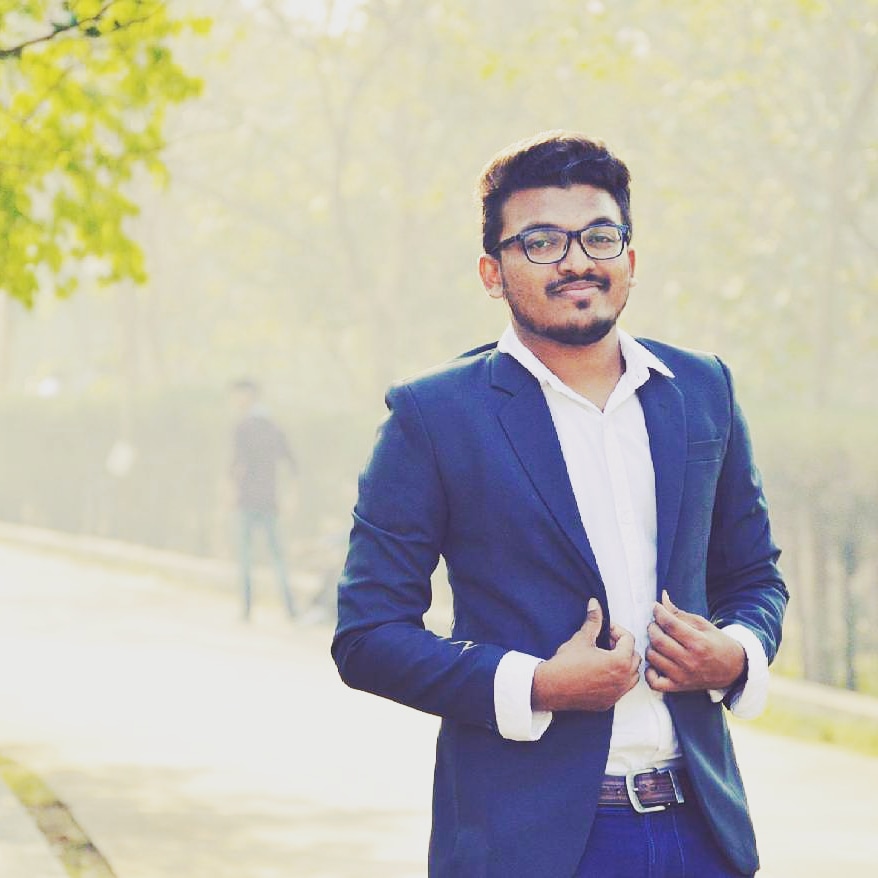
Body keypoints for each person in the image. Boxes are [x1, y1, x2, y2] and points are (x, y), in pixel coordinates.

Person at [331, 132, 788, 877]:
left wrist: (736, 654)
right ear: (492, 271)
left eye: (600, 236)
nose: (577, 260)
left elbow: (755, 577)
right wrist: (536, 685)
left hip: (703, 833)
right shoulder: (434, 416)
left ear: (630, 258)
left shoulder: (703, 389)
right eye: (541, 242)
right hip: (530, 845)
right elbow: (368, 635)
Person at [229, 379, 297, 620]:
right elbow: (291, 464)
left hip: (247, 500)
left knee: (246, 558)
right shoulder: (273, 427)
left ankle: (246, 610)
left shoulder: (243, 427)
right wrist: (290, 496)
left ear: (248, 396)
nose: (235, 400)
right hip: (270, 501)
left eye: (238, 395)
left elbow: (237, 466)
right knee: (278, 558)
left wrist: (229, 492)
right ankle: (291, 610)